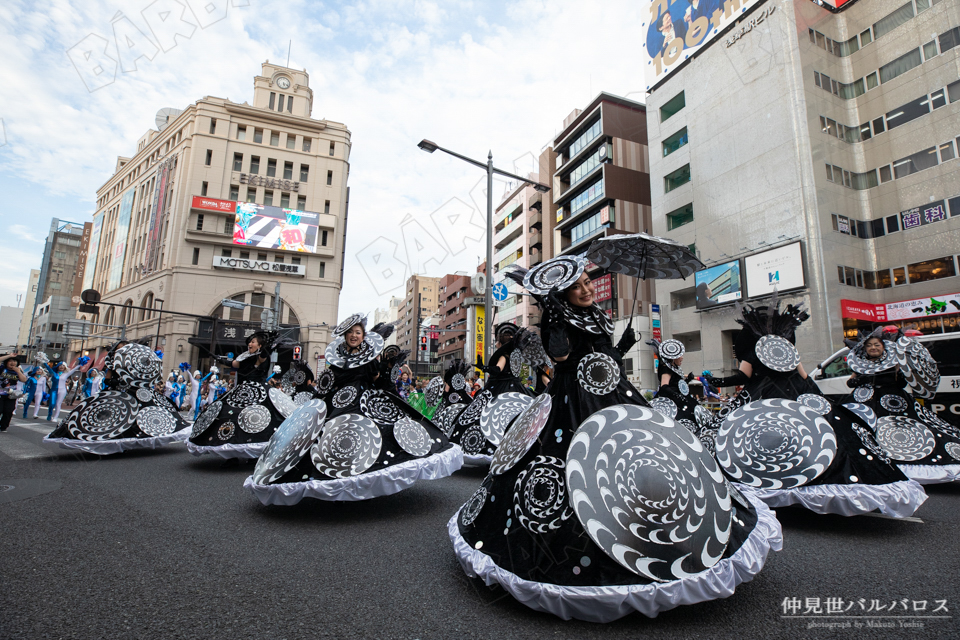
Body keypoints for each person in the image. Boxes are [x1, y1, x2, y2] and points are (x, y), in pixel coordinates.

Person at [452, 258, 779, 622]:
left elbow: (602, 357)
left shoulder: (595, 314)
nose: (587, 288)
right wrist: (553, 314)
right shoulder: (556, 318)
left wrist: (619, 347)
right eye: (577, 286)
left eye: (588, 281)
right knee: (573, 470)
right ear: (562, 293)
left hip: (613, 393)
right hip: (572, 402)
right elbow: (560, 356)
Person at [703, 300, 925, 517]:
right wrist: (819, 402)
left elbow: (745, 377)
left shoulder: (761, 354)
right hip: (793, 395)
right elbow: (804, 377)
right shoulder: (785, 351)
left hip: (766, 398)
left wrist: (716, 381)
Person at [245, 313, 462, 504]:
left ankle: (361, 478)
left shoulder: (369, 359)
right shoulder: (336, 359)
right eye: (350, 333)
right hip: (338, 404)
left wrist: (388, 372)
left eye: (358, 332)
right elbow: (326, 384)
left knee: (369, 438)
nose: (354, 336)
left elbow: (377, 380)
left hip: (365, 402)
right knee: (332, 440)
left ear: (363, 335)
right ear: (345, 336)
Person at [843, 328, 960, 484]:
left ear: (883, 346)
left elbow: (902, 383)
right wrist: (860, 378)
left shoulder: (895, 361)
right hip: (866, 404)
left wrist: (899, 370)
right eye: (869, 345)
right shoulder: (860, 365)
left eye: (876, 344)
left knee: (903, 433)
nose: (873, 348)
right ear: (865, 349)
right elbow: (850, 383)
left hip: (894, 403)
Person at [45, 342, 189, 454]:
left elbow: (145, 379)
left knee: (140, 418)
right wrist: (117, 380)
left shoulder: (135, 361)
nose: (122, 350)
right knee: (115, 418)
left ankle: (131, 441)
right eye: (120, 348)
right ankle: (114, 443)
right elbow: (108, 379)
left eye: (124, 348)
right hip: (117, 393)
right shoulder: (112, 363)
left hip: (137, 393)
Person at [445, 322, 541, 466]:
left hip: (499, 388)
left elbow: (498, 369)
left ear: (500, 343)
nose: (496, 344)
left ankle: (486, 448)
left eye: (497, 341)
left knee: (483, 416)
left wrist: (484, 367)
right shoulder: (516, 356)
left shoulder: (504, 355)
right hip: (516, 388)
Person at [188, 332, 288, 459]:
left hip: (257, 393)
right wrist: (217, 358)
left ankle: (254, 455)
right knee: (229, 418)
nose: (250, 344)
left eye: (253, 342)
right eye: (250, 342)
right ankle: (232, 455)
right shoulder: (243, 356)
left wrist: (267, 349)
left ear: (259, 345)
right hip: (239, 391)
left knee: (255, 420)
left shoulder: (261, 356)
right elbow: (233, 364)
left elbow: (262, 358)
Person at [647, 338, 706, 433]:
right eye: (680, 355)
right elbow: (664, 386)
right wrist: (678, 397)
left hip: (679, 399)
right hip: (672, 402)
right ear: (673, 357)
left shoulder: (673, 367)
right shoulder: (666, 368)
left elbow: (676, 385)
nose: (682, 357)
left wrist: (688, 380)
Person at [0, 354, 28, 432]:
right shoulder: (2, 369)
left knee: (9, 411)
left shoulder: (17, 371)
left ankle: (3, 426)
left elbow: (24, 380)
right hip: (0, 393)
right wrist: (9, 355)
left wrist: (18, 371)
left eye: (15, 361)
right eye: (11, 361)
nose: (13, 363)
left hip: (11, 395)